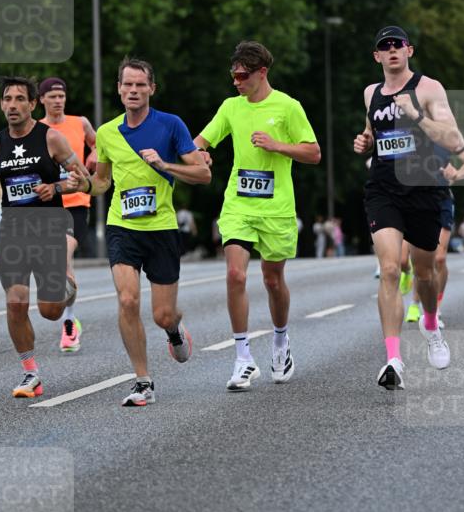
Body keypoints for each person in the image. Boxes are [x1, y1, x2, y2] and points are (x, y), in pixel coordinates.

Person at [68, 58, 210, 407]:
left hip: (161, 227)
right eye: (127, 85)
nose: (133, 91)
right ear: (118, 89)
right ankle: (143, 380)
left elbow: (203, 176)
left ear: (151, 89)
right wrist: (85, 183)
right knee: (128, 299)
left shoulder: (170, 125)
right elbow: (102, 182)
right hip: (122, 226)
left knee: (162, 314)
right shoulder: (106, 133)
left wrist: (165, 165)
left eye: (140, 85)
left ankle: (174, 330)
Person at [194, 41, 320, 391]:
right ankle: (243, 358)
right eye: (233, 75)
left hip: (276, 209)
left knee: (272, 281)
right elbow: (200, 141)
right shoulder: (231, 107)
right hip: (239, 204)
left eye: (242, 75)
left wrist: (278, 145)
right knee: (235, 274)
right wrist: (201, 155)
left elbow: (313, 152)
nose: (236, 82)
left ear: (261, 72)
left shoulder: (287, 107)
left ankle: (280, 343)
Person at [353, 25, 464, 390]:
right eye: (384, 46)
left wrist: (416, 115)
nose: (391, 51)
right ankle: (393, 359)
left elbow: (453, 139)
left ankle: (431, 325)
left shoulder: (428, 88)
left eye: (397, 45)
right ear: (376, 56)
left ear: (409, 51)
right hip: (384, 189)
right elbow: (374, 134)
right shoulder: (371, 92)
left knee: (425, 272)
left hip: (423, 189)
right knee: (390, 268)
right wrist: (365, 142)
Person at [0, 76, 90, 398]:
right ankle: (30, 373)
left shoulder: (52, 139)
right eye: (7, 99)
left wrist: (55, 187)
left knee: (50, 311)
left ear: (31, 104)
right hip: (13, 231)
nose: (12, 105)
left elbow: (82, 180)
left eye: (19, 99)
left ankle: (67, 287)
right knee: (15, 302)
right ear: (1, 104)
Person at [39, 76, 97, 351]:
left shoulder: (80, 122)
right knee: (64, 265)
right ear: (41, 100)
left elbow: (100, 145)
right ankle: (70, 319)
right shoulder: (36, 130)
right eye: (52, 96)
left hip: (75, 202)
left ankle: (68, 321)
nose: (58, 100)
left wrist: (94, 155)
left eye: (62, 95)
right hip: (46, 205)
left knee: (62, 254)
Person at [404, 144, 464, 326]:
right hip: (415, 200)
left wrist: (456, 174)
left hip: (442, 199)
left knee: (440, 259)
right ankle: (412, 291)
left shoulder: (446, 134)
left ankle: (434, 308)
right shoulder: (410, 131)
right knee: (408, 260)